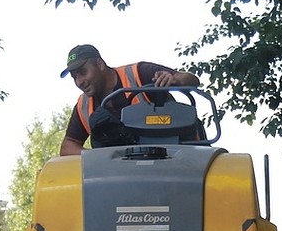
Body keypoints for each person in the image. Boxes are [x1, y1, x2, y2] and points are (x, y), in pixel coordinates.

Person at [57, 44, 201, 155]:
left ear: (99, 64)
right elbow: (67, 146)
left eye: (82, 73)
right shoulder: (84, 105)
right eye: (74, 77)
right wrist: (95, 157)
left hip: (178, 158)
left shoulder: (139, 73)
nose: (79, 81)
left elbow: (191, 80)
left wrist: (175, 79)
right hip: (125, 178)